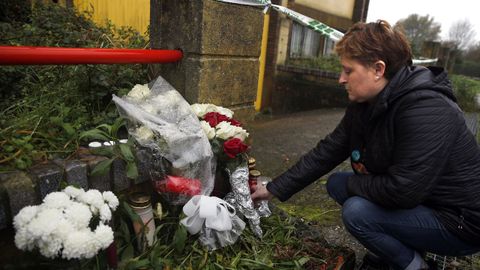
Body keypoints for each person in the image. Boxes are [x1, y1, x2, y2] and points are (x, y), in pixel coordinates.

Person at [251, 20, 480, 270]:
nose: (341, 79)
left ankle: (414, 265)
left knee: (357, 212)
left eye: (348, 71)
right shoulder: (367, 102)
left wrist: (354, 184)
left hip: (461, 222)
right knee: (337, 185)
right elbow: (328, 150)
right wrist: (274, 188)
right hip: (426, 200)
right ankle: (401, 245)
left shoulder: (427, 109)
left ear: (378, 69)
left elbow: (403, 191)